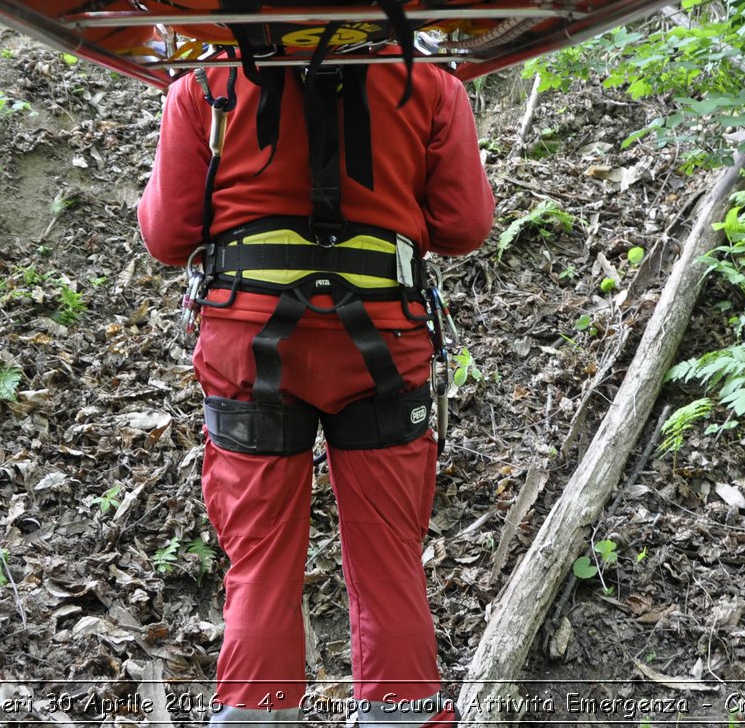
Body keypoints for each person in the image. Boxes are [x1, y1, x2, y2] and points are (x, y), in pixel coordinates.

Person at [139, 58, 494, 727]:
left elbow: (166, 236)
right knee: (389, 546)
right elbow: (465, 225)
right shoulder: (428, 81)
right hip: (384, 338)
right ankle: (403, 713)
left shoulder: (206, 83)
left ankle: (255, 712)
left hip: (249, 340)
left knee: (262, 550)